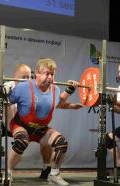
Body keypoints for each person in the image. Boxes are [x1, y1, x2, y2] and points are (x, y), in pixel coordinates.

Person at [0, 64, 53, 182]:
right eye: (23, 77)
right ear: (14, 77)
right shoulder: (9, 86)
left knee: (47, 137)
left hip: (21, 123)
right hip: (2, 119)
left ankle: (46, 168)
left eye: (29, 77)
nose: (27, 80)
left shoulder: (35, 89)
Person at [7, 58, 83, 186]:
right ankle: (7, 173)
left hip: (40, 129)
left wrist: (70, 90)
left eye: (52, 74)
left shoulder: (55, 89)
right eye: (46, 73)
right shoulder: (23, 87)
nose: (50, 77)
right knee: (21, 141)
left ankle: (53, 174)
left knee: (61, 143)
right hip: (21, 125)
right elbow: (4, 101)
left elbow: (58, 103)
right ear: (37, 73)